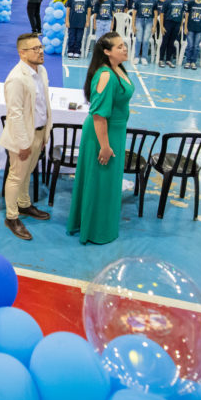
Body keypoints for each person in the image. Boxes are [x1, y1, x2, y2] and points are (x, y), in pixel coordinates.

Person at [67, 31, 134, 244]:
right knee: (100, 181)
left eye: (124, 45)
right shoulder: (105, 75)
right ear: (107, 52)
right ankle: (94, 230)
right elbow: (99, 116)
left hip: (115, 131)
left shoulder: (119, 68)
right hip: (102, 135)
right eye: (119, 47)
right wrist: (104, 146)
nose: (124, 49)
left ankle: (101, 224)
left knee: (108, 182)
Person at [0, 33, 52, 241]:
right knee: (16, 176)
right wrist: (23, 143)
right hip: (23, 138)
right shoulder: (16, 78)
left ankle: (24, 204)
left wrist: (45, 132)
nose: (40, 51)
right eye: (35, 48)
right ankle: (12, 217)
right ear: (22, 53)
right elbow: (15, 113)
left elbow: (43, 105)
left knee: (27, 173)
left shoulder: (42, 71)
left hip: (38, 132)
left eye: (41, 47)